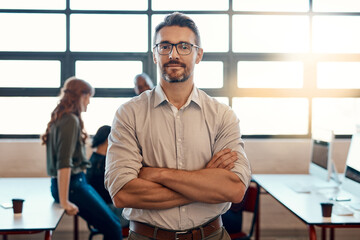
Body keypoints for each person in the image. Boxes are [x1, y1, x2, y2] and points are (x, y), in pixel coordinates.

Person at [105, 12, 251, 240]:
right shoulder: (129, 114)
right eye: (164, 46)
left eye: (184, 46)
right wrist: (206, 182)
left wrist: (156, 174)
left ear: (198, 54)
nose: (173, 54)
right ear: (155, 54)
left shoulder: (222, 115)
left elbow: (234, 189)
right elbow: (123, 193)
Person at [42, 77, 122, 240]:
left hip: (73, 184)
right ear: (80, 96)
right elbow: (64, 163)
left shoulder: (61, 118)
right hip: (73, 186)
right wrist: (65, 201)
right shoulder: (70, 120)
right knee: (113, 227)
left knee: (114, 223)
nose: (89, 102)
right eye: (88, 97)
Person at [86, 125, 129, 227]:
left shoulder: (93, 158)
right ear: (108, 139)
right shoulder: (103, 163)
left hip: (100, 210)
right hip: (109, 211)